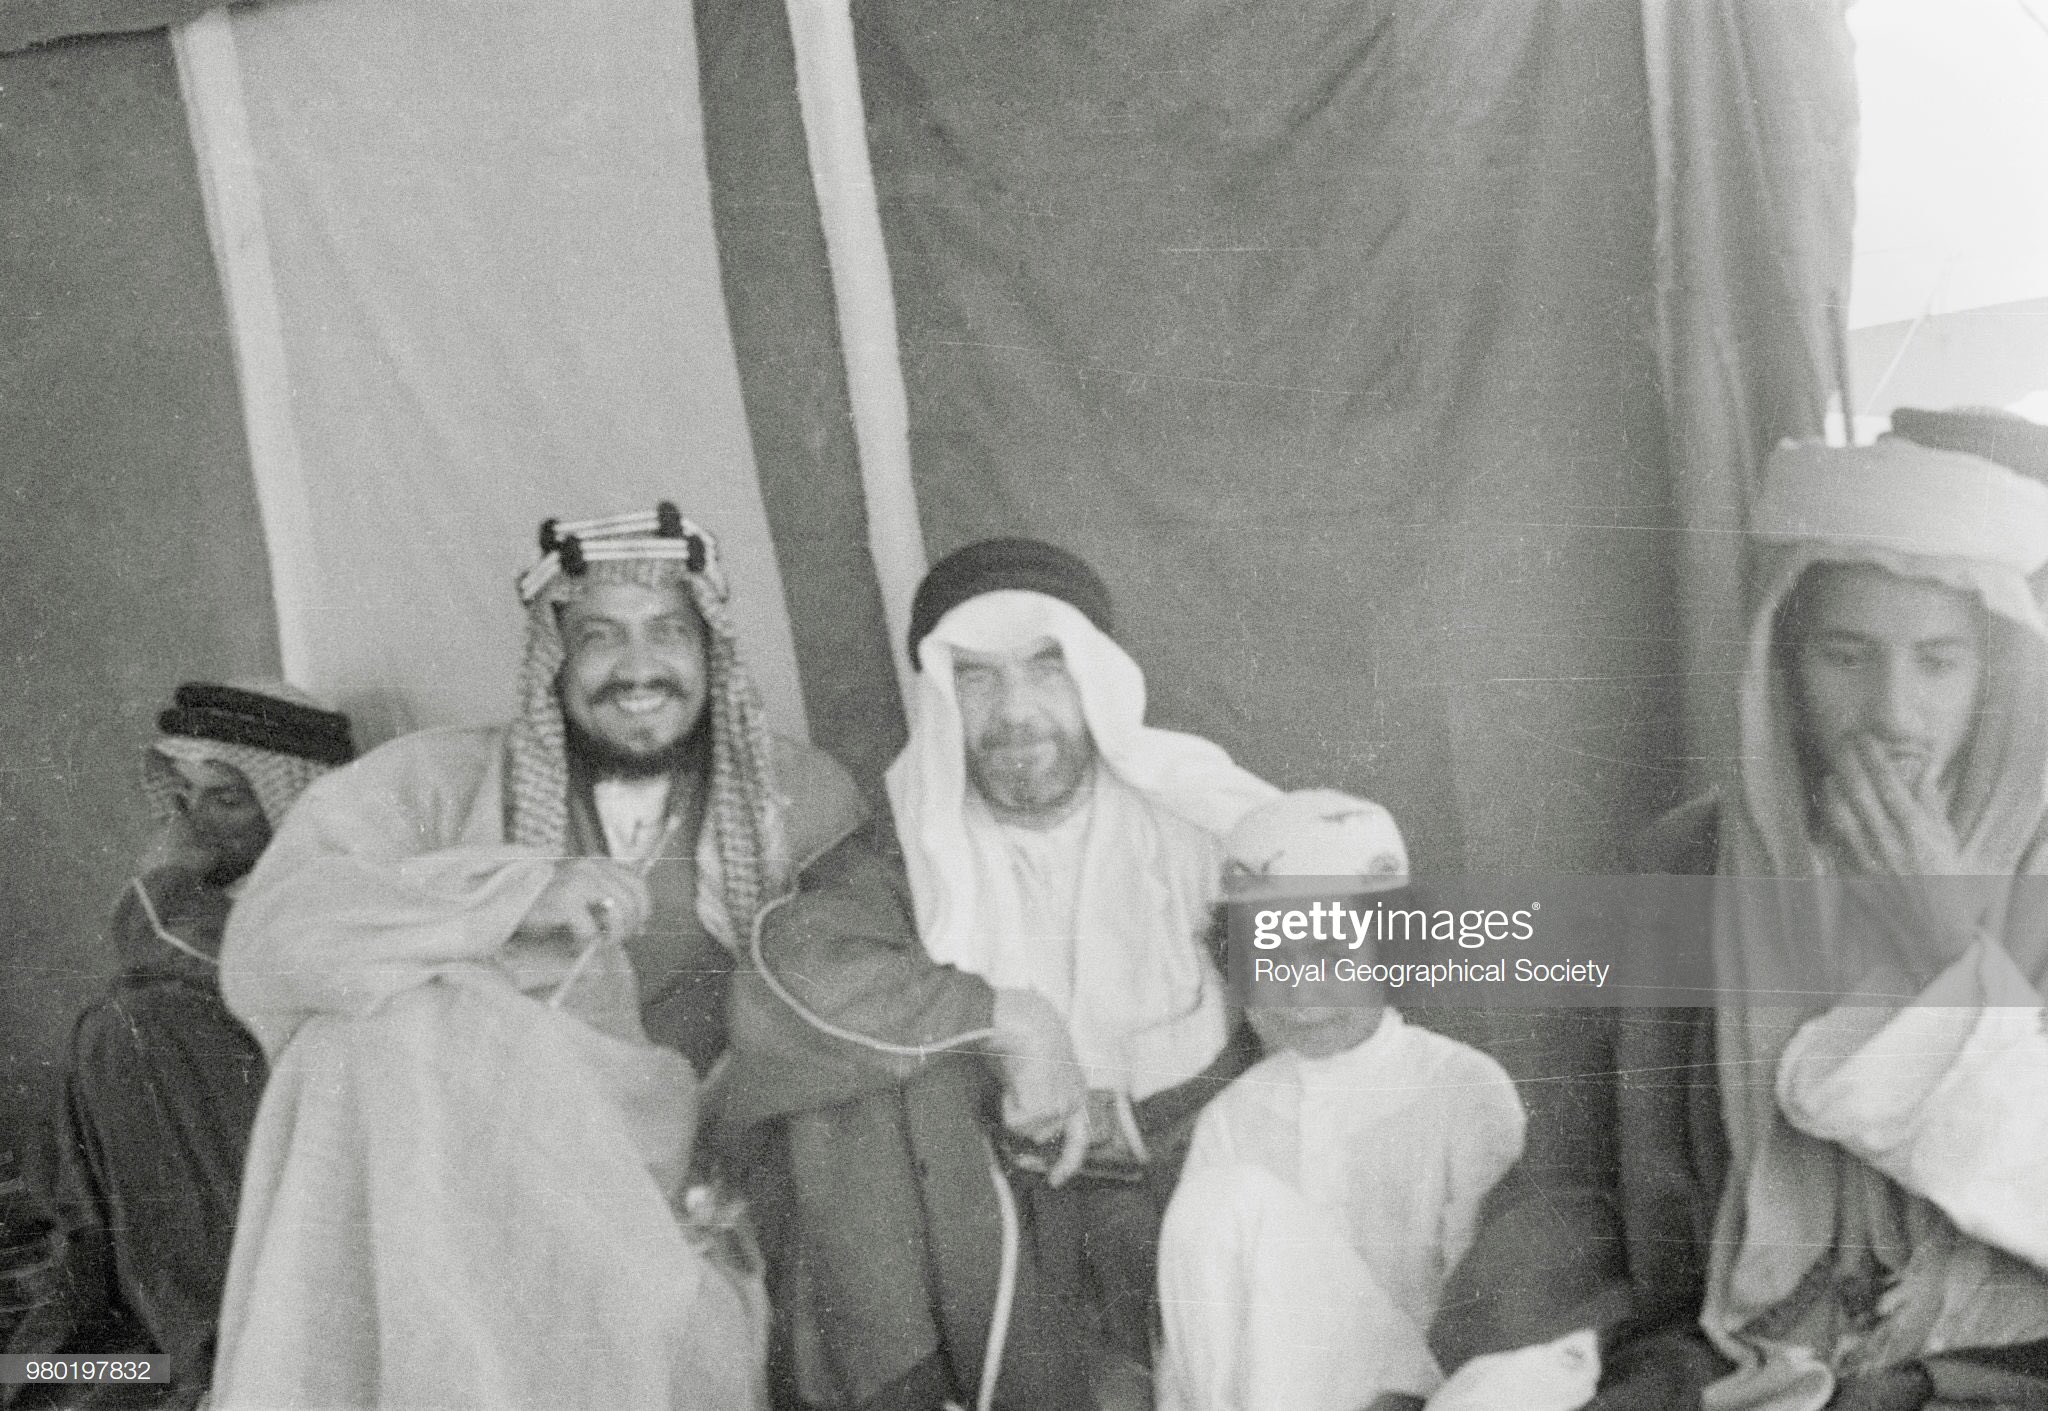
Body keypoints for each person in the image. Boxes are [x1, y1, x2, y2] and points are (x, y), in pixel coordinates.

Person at [1449, 426, 2048, 1411]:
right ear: (1779, 662)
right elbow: (1573, 1182)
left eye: (1937, 662)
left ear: (1995, 676)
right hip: (1725, 1354)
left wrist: (1942, 936)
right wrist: (1522, 1352)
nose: (1890, 712)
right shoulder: (1679, 866)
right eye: (1844, 655)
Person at [211, 505, 862, 1410]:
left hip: (700, 1193)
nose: (638, 668)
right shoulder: (436, 785)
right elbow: (271, 943)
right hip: (486, 1196)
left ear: (710, 650)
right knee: (371, 1039)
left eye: (668, 631)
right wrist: (509, 894)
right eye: (600, 636)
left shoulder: (804, 800)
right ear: (554, 659)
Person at [719, 537, 1276, 1411]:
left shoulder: (1204, 821)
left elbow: (1334, 1019)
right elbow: (791, 966)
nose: (1015, 711)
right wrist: (1009, 1017)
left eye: (1047, 669)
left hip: (1195, 1194)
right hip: (1016, 1232)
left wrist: (1135, 1122)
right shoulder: (913, 847)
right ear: (944, 699)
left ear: (1096, 678)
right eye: (977, 677)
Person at [1155, 789, 1590, 1411]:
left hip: (1433, 1389)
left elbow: (1501, 1301)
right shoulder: (1233, 1116)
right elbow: (1200, 1335)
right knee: (1218, 1206)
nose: (1300, 993)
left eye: (1332, 956)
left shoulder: (1462, 1086)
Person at [2, 681, 353, 1411]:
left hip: (258, 1263)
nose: (194, 824)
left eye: (225, 797)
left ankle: (209, 1375)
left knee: (141, 1023)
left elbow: (215, 964)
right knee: (37, 1382)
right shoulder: (209, 903)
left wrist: (161, 880)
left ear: (294, 802)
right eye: (186, 795)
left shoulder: (330, 892)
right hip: (152, 1281)